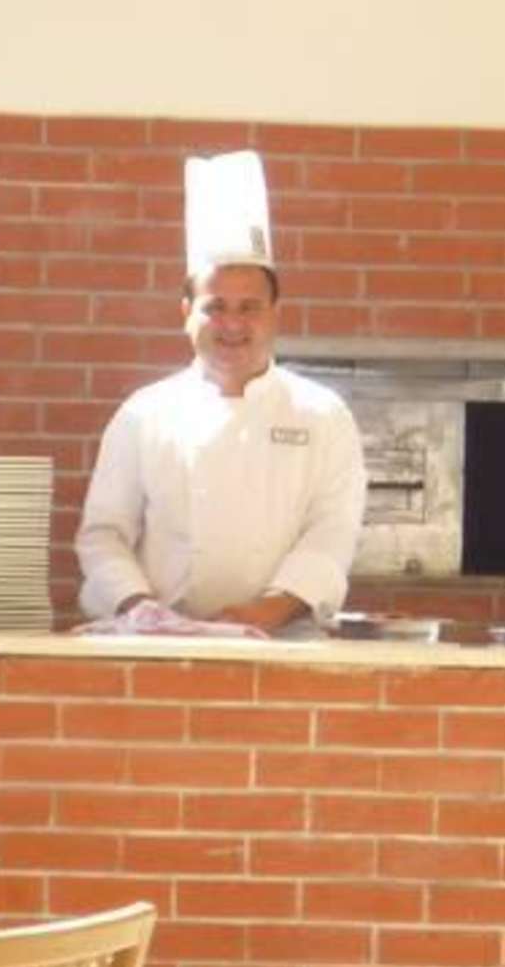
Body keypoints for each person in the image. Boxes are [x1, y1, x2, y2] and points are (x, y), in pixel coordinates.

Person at [76, 151, 366, 632]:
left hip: (283, 644)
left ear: (275, 314)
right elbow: (103, 535)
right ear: (185, 313)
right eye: (215, 307)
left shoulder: (322, 414)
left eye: (249, 307)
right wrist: (142, 609)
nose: (232, 324)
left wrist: (264, 614)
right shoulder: (144, 414)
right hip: (160, 645)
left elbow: (332, 534)